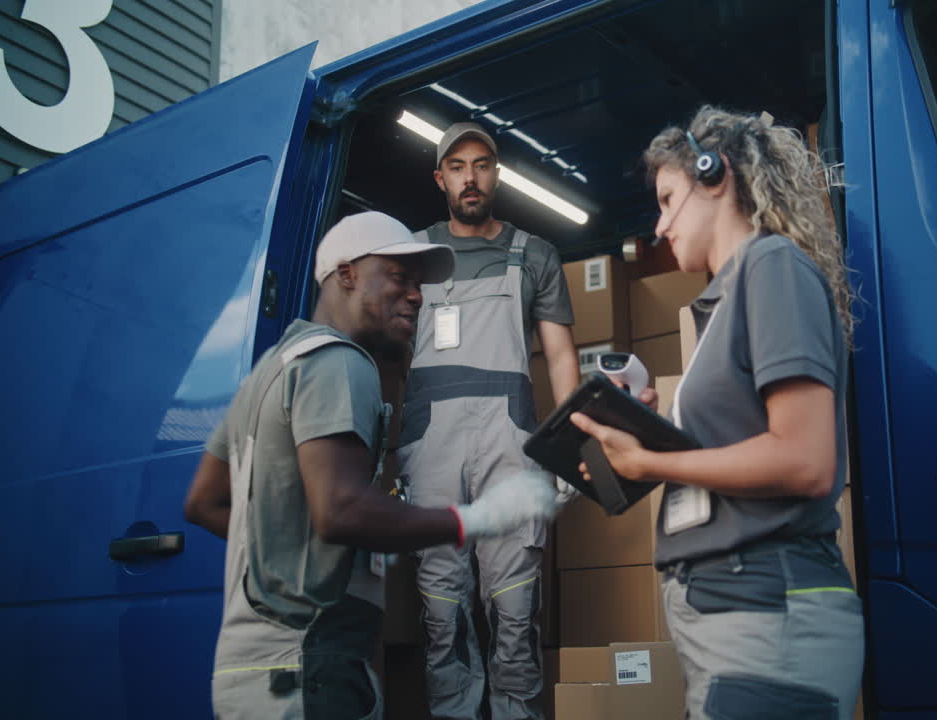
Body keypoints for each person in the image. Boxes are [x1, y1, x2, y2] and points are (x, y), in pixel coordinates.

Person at [183, 211, 559, 720]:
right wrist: (476, 518)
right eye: (400, 277)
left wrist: (290, 555)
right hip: (311, 667)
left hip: (249, 672)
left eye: (419, 283)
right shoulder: (340, 361)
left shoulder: (270, 370)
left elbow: (203, 502)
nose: (417, 296)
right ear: (347, 274)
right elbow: (341, 509)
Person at [570, 107, 865, 720]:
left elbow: (805, 461)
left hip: (764, 614)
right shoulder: (725, 299)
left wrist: (652, 460)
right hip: (733, 618)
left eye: (667, 199)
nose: (659, 226)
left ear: (715, 174)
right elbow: (735, 452)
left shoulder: (771, 266)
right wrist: (645, 441)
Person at [400, 121, 579, 720]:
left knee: (515, 605)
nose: (470, 178)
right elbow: (383, 350)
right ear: (440, 178)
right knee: (440, 607)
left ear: (496, 174)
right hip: (430, 445)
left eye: (480, 164)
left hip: (511, 442)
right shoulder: (411, 256)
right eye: (457, 167)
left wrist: (569, 444)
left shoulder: (535, 254)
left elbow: (560, 355)